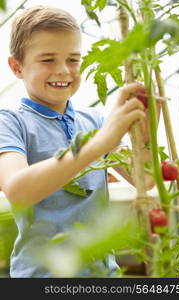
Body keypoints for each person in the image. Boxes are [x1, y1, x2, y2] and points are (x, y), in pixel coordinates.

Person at [0, 6, 154, 278]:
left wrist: (144, 134)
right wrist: (101, 142)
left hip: (103, 275)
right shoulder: (11, 123)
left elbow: (146, 178)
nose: (63, 71)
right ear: (17, 67)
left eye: (73, 59)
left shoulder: (94, 120)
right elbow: (18, 190)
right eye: (47, 60)